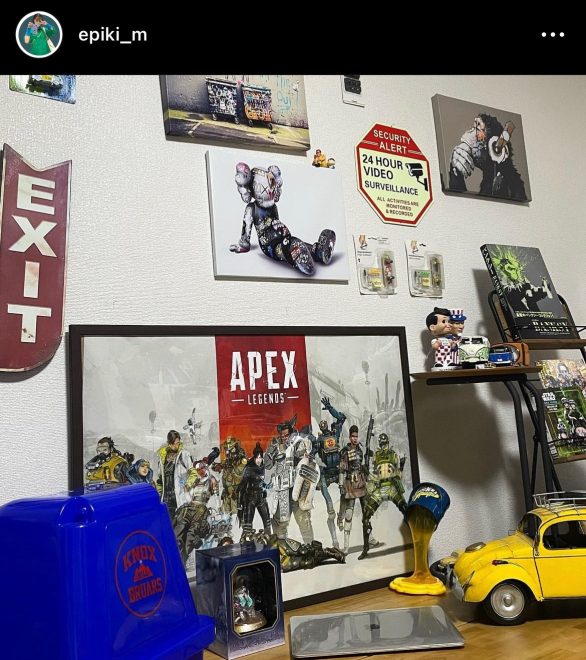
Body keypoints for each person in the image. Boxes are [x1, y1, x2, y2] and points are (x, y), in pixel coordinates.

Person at [449, 114, 527, 201]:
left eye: (477, 128)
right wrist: (456, 174)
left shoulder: (509, 185)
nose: (468, 133)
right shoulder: (488, 183)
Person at [358, 433, 407, 560]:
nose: (383, 446)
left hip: (391, 487)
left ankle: (414, 539)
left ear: (388, 443)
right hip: (379, 489)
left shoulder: (394, 455)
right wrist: (366, 472)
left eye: (384, 443)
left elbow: (398, 475)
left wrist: (401, 466)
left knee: (406, 511)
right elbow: (373, 477)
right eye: (382, 444)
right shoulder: (376, 456)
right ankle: (366, 548)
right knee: (365, 517)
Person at [311, 396, 346, 548]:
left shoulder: (335, 434)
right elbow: (311, 453)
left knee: (346, 493)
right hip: (326, 473)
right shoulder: (319, 441)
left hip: (338, 471)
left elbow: (341, 418)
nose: (324, 425)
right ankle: (334, 539)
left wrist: (330, 408)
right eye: (322, 425)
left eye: (325, 424)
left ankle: (341, 517)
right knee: (329, 507)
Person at [155, 430, 194, 519]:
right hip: (166, 498)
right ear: (169, 443)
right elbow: (160, 479)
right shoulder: (162, 458)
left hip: (180, 496)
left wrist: (188, 484)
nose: (176, 446)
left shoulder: (184, 455)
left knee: (181, 522)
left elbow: (193, 473)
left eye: (177, 443)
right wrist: (159, 494)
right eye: (173, 443)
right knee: (169, 522)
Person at [237, 442, 271, 540]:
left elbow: (260, 481)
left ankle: (269, 541)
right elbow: (242, 486)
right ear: (254, 457)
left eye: (260, 457)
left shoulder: (263, 466)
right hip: (250, 499)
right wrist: (239, 503)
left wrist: (267, 486)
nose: (259, 460)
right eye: (257, 458)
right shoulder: (249, 468)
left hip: (261, 498)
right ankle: (244, 542)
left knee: (267, 524)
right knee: (247, 528)